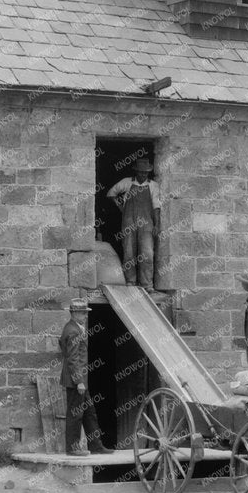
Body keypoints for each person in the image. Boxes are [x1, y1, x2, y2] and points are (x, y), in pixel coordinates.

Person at [59, 300, 111, 455]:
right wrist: (79, 381)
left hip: (81, 381)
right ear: (74, 313)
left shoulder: (74, 328)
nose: (86, 316)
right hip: (77, 382)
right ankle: (72, 449)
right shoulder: (73, 330)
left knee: (89, 413)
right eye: (83, 313)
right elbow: (72, 359)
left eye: (86, 313)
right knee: (75, 414)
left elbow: (63, 346)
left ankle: (96, 446)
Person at [106, 158, 161, 290]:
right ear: (136, 171)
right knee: (129, 251)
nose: (143, 175)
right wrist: (120, 206)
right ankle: (131, 281)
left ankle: (147, 284)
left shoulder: (153, 185)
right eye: (141, 172)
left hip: (147, 223)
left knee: (147, 253)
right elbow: (111, 193)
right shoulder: (127, 182)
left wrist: (157, 224)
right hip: (129, 221)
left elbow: (156, 206)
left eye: (146, 173)